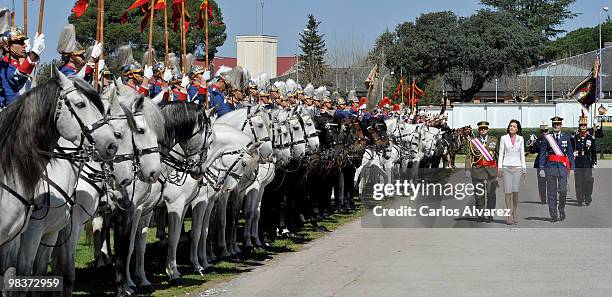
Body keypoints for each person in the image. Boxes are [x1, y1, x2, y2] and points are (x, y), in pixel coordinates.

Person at [538, 116, 574, 222]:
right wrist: (541, 168)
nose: (556, 126)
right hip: (550, 167)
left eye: (558, 124)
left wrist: (572, 168)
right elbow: (543, 154)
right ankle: (553, 214)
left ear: (561, 125)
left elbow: (570, 153)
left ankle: (561, 209)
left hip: (562, 167)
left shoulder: (566, 137)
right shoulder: (547, 138)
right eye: (554, 124)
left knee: (563, 191)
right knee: (551, 192)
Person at [0, 26, 44, 106]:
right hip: (7, 113)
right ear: (7, 47)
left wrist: (28, 55)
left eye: (24, 42)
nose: (25, 45)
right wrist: (34, 54)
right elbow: (16, 78)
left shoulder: (16, 64)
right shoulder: (3, 67)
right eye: (20, 42)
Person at [465, 121, 498, 223]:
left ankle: (490, 215)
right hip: (477, 170)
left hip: (491, 171)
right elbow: (469, 157)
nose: (483, 130)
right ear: (478, 130)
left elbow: (497, 156)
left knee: (491, 194)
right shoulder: (473, 142)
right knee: (479, 195)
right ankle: (480, 215)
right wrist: (467, 170)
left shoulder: (494, 140)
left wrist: (500, 169)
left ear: (488, 129)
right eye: (481, 128)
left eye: (485, 128)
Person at [498, 119, 526, 225]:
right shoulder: (503, 138)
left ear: (517, 129)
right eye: (510, 126)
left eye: (514, 126)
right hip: (506, 167)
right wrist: (499, 168)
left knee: (515, 191)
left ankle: (514, 212)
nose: (511, 128)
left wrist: (524, 169)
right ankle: (509, 215)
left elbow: (522, 154)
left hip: (517, 167)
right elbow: (501, 153)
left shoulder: (521, 139)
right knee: (507, 192)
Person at [573, 116, 597, 206]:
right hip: (578, 161)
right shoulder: (574, 137)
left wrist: (594, 162)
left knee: (588, 180)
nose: (583, 126)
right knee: (578, 181)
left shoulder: (590, 138)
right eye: (581, 125)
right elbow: (571, 148)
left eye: (584, 125)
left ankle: (588, 196)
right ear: (579, 126)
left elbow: (593, 151)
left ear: (586, 126)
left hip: (587, 161)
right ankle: (580, 199)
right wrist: (573, 154)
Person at [528, 123, 549, 204]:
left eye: (546, 131)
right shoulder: (538, 141)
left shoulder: (552, 140)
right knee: (542, 183)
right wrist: (531, 142)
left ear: (548, 131)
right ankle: (543, 199)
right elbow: (532, 151)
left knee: (551, 182)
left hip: (550, 163)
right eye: (542, 131)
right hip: (540, 164)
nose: (544, 133)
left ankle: (551, 197)